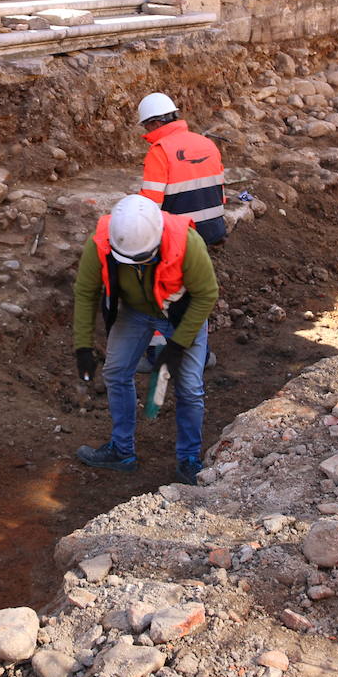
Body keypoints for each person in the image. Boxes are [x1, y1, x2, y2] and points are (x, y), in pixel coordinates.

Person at [72, 194, 219, 485]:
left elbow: (206, 294)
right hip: (135, 313)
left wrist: (177, 345)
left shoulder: (187, 242)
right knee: (115, 372)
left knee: (189, 387)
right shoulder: (101, 243)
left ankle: (189, 460)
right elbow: (86, 293)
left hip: (180, 312)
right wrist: (83, 346)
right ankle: (121, 451)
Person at [135, 92, 227, 247]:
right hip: (215, 230)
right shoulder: (207, 143)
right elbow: (221, 193)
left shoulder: (160, 150)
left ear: (156, 124)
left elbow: (151, 203)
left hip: (182, 236)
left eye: (146, 126)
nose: (146, 131)